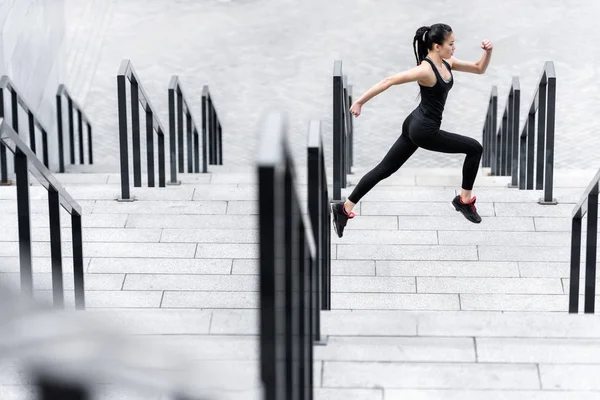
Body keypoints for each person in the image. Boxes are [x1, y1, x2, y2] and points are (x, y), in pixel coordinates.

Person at [330, 23, 493, 238]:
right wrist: (360, 101)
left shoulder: (448, 62)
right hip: (424, 131)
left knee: (385, 169)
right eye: (451, 44)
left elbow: (479, 68)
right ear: (436, 46)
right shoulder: (425, 70)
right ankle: (464, 200)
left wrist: (487, 52)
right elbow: (389, 81)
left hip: (414, 123)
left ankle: (345, 208)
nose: (454, 47)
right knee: (474, 148)